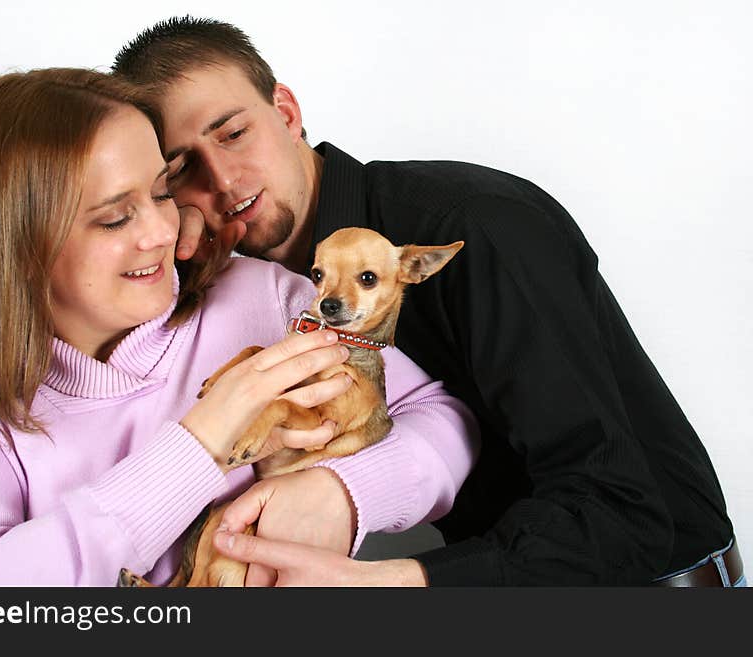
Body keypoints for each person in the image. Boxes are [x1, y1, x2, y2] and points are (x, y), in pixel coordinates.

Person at [110, 16, 743, 586]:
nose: (222, 181)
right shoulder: (260, 286)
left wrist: (396, 586)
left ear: (286, 111)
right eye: (183, 168)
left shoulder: (477, 226)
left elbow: (621, 509)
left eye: (234, 133)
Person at [0, 68, 477, 586]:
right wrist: (201, 443)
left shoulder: (261, 296)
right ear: (16, 247)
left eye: (163, 192)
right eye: (116, 218)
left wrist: (345, 494)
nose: (166, 232)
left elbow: (439, 416)